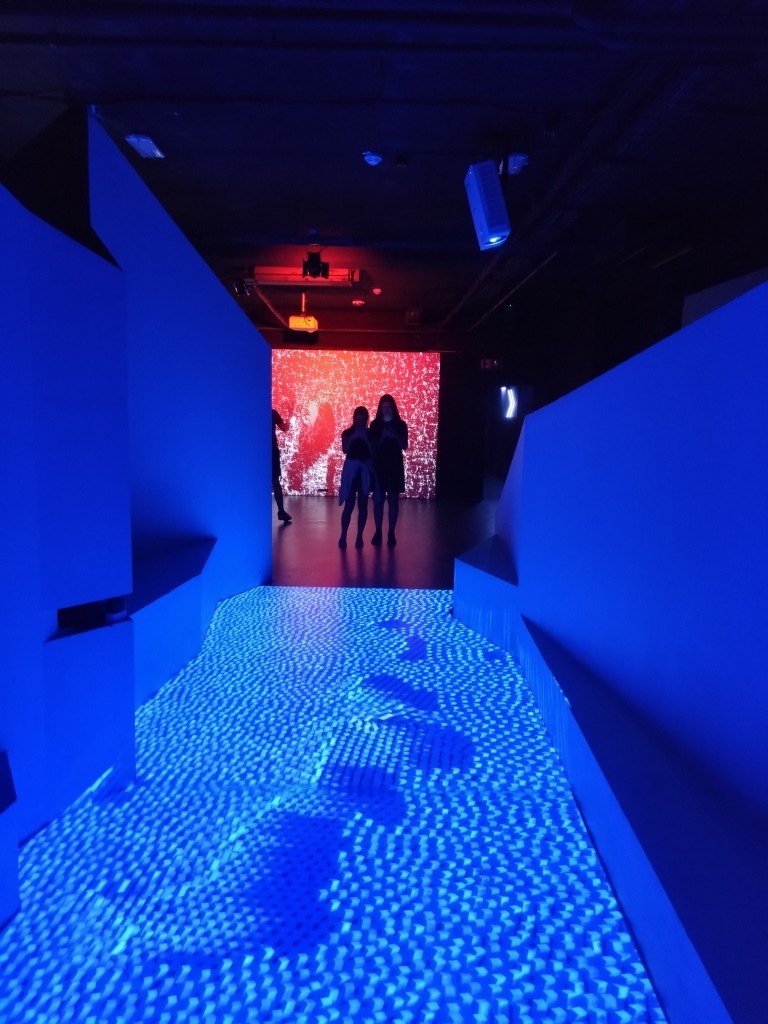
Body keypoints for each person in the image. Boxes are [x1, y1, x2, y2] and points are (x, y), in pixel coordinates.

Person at [369, 393, 408, 547]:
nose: (386, 409)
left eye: (389, 407)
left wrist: (394, 436)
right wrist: (383, 438)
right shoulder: (375, 425)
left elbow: (404, 445)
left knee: (393, 501)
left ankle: (391, 532)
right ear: (380, 409)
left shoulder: (400, 425)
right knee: (378, 501)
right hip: (379, 466)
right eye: (384, 407)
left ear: (393, 408)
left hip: (394, 466)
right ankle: (378, 531)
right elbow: (372, 448)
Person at [338, 406, 374, 548]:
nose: (360, 421)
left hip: (364, 471)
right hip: (351, 472)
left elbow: (373, 453)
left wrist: (366, 439)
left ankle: (359, 536)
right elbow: (345, 450)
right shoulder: (347, 433)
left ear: (366, 419)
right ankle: (343, 536)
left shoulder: (370, 434)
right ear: (354, 418)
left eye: (362, 418)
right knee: (349, 504)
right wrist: (354, 437)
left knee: (363, 505)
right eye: (358, 418)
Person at [272, 408, 292, 523]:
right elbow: (284, 428)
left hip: (258, 450)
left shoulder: (254, 411)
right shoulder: (272, 413)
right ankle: (281, 511)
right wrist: (290, 416)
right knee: (275, 480)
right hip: (272, 450)